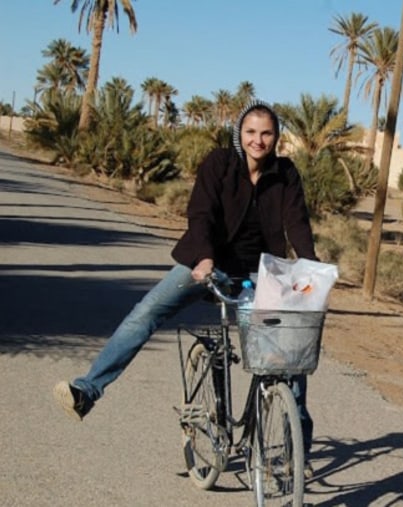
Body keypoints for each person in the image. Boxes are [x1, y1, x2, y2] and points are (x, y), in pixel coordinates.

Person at [53, 99, 318, 462]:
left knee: (285, 350)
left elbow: (297, 223)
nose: (258, 140)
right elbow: (201, 212)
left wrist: (309, 269)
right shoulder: (220, 163)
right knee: (145, 313)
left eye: (266, 133)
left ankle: (296, 440)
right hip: (206, 264)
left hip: (258, 273)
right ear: (240, 133)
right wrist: (204, 256)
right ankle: (87, 391)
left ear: (276, 137)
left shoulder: (285, 173)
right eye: (251, 132)